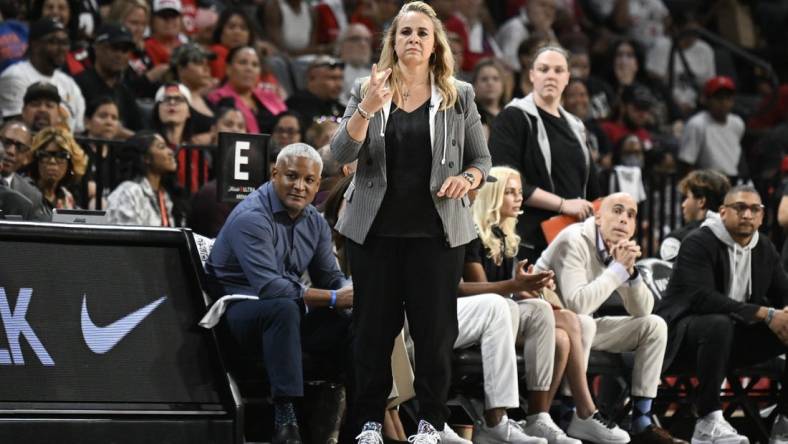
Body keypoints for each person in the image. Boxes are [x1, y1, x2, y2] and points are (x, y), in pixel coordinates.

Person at [330, 2, 491, 443]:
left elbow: (481, 159)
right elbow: (339, 156)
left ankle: (430, 424)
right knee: (371, 335)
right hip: (374, 234)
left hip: (437, 237)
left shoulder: (458, 95)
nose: (413, 40)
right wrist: (366, 108)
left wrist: (467, 178)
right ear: (393, 42)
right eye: (405, 33)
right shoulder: (368, 87)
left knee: (435, 336)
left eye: (422, 32)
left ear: (435, 42)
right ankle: (366, 424)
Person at [460, 166, 626, 444]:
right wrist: (520, 287)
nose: (518, 198)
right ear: (493, 194)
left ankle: (539, 416)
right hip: (485, 318)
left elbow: (510, 292)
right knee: (568, 320)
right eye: (510, 192)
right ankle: (584, 408)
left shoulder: (506, 236)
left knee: (562, 338)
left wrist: (533, 287)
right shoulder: (473, 233)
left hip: (508, 311)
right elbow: (485, 295)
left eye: (519, 193)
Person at [205, 143, 353, 444]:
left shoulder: (314, 222)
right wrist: (336, 298)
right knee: (283, 307)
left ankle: (359, 417)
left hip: (287, 315)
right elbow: (271, 288)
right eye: (291, 176)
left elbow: (330, 276)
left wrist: (352, 295)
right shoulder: (251, 216)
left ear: (317, 185)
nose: (299, 186)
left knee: (357, 321)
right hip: (237, 314)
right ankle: (286, 419)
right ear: (275, 174)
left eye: (308, 180)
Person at [535, 192, 686, 444]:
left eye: (630, 215)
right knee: (582, 322)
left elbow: (642, 311)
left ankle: (642, 420)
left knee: (654, 325)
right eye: (616, 211)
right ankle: (570, 414)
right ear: (597, 217)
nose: (624, 219)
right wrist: (617, 271)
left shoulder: (617, 248)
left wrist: (631, 272)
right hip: (547, 326)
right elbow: (577, 304)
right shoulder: (573, 240)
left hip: (584, 330)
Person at [657, 185, 788, 444]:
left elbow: (783, 291)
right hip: (681, 337)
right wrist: (766, 313)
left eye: (754, 209)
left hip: (731, 339)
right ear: (723, 211)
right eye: (740, 208)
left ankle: (783, 421)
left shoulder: (764, 248)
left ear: (762, 216)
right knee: (718, 323)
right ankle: (707, 421)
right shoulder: (698, 241)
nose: (747, 215)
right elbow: (702, 298)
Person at [489, 45, 600, 264]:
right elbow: (503, 178)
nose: (551, 76)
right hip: (529, 240)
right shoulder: (514, 117)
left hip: (573, 240)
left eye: (558, 70)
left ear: (567, 77)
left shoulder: (576, 126)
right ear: (531, 75)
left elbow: (592, 188)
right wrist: (562, 204)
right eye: (543, 69)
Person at [0, 18, 85, 132]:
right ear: (34, 44)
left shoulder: (70, 83)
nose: (61, 48)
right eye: (53, 42)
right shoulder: (15, 76)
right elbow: (17, 129)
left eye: (65, 43)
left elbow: (79, 130)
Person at [74, 23, 141, 134]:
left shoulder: (125, 92)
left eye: (125, 50)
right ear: (97, 48)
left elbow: (140, 129)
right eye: (114, 48)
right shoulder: (78, 85)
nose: (119, 55)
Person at [677, 76, 746, 182]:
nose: (723, 103)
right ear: (707, 100)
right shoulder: (697, 124)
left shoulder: (738, 123)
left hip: (732, 181)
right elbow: (686, 163)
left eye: (728, 98)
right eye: (719, 98)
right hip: (707, 182)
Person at [207, 46, 288, 134]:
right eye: (243, 63)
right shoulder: (217, 98)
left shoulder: (270, 96)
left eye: (255, 65)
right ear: (228, 68)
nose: (249, 69)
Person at [106, 131, 178, 226]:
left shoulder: (164, 194)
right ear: (146, 158)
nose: (170, 152)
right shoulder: (128, 192)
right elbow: (122, 236)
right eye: (162, 147)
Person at [660, 170, 730, 261]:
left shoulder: (677, 239)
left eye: (687, 197)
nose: (683, 204)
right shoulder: (736, 238)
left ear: (701, 201)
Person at [26, 125, 87, 210]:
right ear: (36, 159)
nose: (52, 161)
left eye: (61, 156)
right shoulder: (24, 191)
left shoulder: (67, 197)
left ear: (70, 164)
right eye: (45, 155)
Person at [0, 121, 48, 219]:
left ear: (27, 157)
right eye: (6, 142)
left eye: (20, 147)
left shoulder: (32, 196)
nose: (11, 151)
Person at [285, 55, 346, 128]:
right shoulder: (297, 105)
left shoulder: (338, 107)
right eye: (332, 78)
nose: (339, 85)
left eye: (341, 79)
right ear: (312, 78)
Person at [208, 6, 256, 80]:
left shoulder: (255, 56)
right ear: (221, 32)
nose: (237, 32)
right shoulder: (217, 52)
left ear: (250, 35)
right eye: (231, 27)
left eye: (243, 28)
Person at [144, 0, 184, 67]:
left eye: (174, 15)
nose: (169, 20)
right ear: (151, 19)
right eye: (164, 16)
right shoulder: (143, 49)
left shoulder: (187, 46)